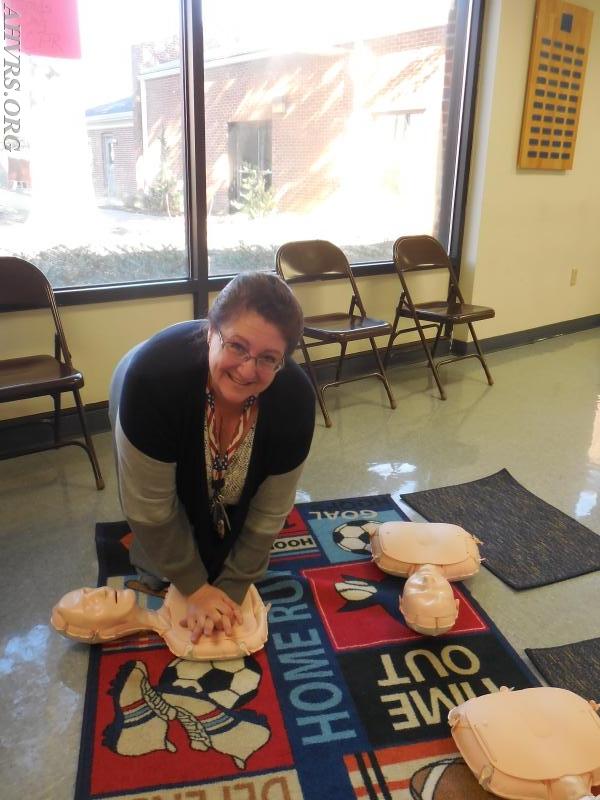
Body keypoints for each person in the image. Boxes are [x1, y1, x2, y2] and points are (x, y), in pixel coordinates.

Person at [109, 272, 315, 643]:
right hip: (135, 385)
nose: (248, 369)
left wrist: (230, 591)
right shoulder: (152, 381)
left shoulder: (294, 401)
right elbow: (149, 509)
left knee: (229, 554)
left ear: (283, 360)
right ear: (210, 332)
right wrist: (196, 588)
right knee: (158, 565)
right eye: (237, 346)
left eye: (268, 358)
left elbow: (270, 514)